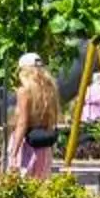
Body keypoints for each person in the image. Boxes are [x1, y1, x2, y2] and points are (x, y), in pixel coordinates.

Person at [12, 51, 62, 179]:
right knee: (41, 184)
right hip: (44, 145)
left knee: (21, 184)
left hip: (27, 144)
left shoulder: (24, 92)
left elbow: (22, 123)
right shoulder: (50, 91)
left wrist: (13, 152)